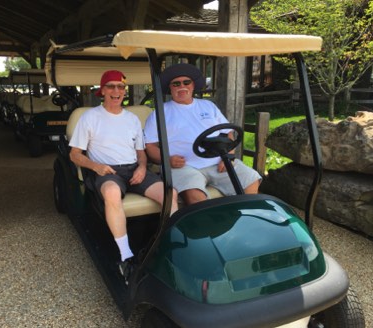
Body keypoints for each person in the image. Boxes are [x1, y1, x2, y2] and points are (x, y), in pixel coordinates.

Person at [69, 70, 178, 284]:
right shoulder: (90, 117)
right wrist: (96, 166)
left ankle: (169, 245)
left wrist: (142, 167)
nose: (116, 91)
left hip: (134, 169)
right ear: (102, 91)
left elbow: (140, 153)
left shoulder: (132, 119)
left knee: (170, 193)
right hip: (107, 170)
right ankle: (126, 255)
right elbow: (74, 155)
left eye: (120, 86)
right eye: (110, 86)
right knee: (111, 192)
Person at [144, 63, 261, 205]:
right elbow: (150, 146)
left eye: (186, 82)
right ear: (170, 88)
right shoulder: (160, 113)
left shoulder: (208, 106)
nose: (182, 86)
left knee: (251, 179)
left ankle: (241, 217)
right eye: (176, 84)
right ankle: (207, 226)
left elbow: (228, 133)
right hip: (183, 167)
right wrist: (167, 160)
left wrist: (228, 157)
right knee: (195, 196)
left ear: (193, 85)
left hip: (218, 162)